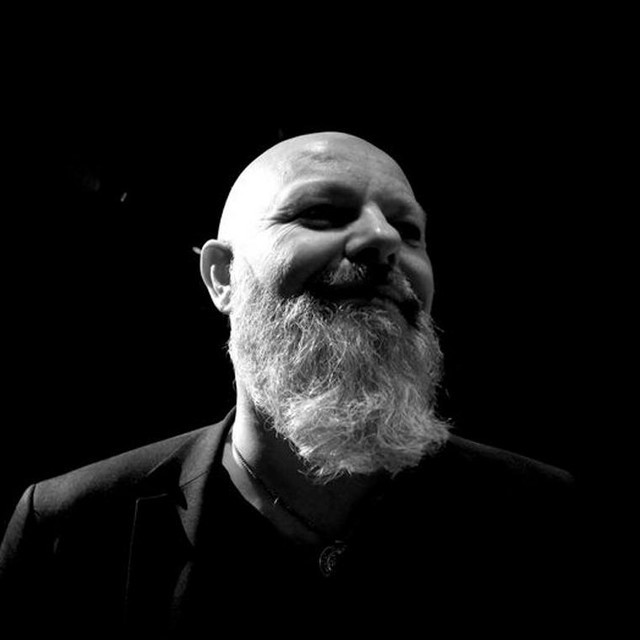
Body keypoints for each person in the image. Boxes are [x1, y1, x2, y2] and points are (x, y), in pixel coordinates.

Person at [0, 132, 584, 636]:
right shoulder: (71, 530)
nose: (384, 239)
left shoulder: (545, 517)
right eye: (322, 214)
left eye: (409, 230)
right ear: (223, 277)